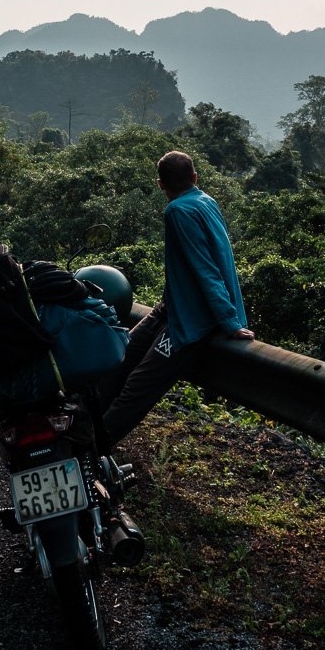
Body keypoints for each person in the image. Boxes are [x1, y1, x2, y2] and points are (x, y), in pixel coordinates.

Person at [98, 150, 254, 446]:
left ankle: (92, 451)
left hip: (192, 322)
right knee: (118, 361)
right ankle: (81, 430)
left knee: (137, 386)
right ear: (195, 177)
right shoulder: (205, 200)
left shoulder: (178, 211)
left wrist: (229, 322)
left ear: (160, 184)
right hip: (172, 309)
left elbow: (205, 270)